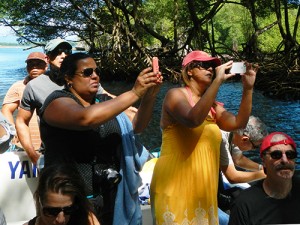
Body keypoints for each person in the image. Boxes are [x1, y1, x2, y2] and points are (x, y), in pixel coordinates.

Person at [39, 52, 162, 225]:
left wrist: (150, 95)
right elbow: (85, 119)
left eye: (97, 71)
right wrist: (135, 92)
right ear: (69, 78)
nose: (95, 76)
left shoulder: (103, 101)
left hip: (110, 195)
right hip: (70, 202)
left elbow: (137, 126)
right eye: (87, 72)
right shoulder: (56, 102)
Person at [150, 50, 258, 224]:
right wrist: (217, 81)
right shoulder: (175, 95)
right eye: (205, 65)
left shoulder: (213, 106)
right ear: (189, 70)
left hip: (203, 190)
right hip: (175, 187)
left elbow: (238, 123)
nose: (210, 68)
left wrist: (248, 88)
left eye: (213, 66)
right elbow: (193, 119)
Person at [228, 132, 300, 225]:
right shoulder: (244, 204)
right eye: (276, 155)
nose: (285, 160)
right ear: (264, 161)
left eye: (290, 154)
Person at [218, 116, 268, 225]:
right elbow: (232, 177)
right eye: (255, 146)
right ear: (245, 139)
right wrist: (265, 173)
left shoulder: (236, 134)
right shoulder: (222, 138)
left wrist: (261, 168)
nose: (255, 150)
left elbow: (238, 159)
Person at [23, 164, 101, 225]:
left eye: (68, 210)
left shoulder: (88, 220)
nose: (61, 220)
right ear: (40, 200)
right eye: (52, 211)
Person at [1, 52, 47, 151]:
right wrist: (13, 129)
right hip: (25, 146)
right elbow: (6, 110)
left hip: (50, 145)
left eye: (38, 64)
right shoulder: (18, 86)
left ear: (46, 66)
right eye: (30, 64)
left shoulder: (54, 85)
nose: (34, 67)